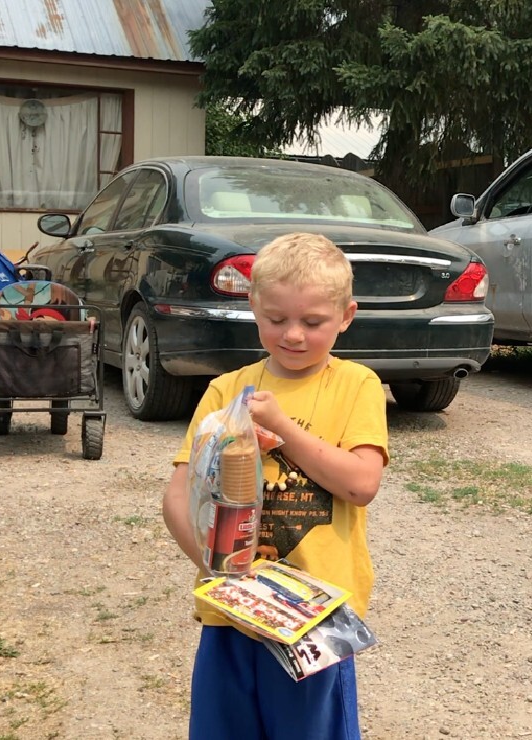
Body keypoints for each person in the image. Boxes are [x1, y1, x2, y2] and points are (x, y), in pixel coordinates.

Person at [162, 232, 388, 740]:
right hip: (232, 615)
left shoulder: (356, 385)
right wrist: (219, 571)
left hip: (314, 620)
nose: (292, 335)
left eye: (313, 322)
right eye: (276, 319)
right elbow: (180, 495)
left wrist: (284, 429)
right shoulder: (225, 390)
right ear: (253, 307)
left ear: (346, 316)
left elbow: (361, 484)